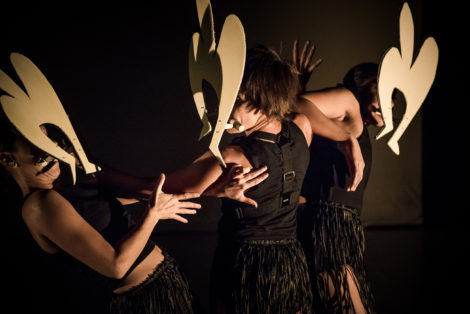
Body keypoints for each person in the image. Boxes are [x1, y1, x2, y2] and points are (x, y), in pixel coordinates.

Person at [162, 44, 365, 314]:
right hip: (290, 265)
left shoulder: (234, 155)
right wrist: (349, 139)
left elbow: (161, 189)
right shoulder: (302, 128)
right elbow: (302, 111)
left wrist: (101, 178)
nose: (226, 107)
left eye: (233, 99)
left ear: (251, 97)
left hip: (245, 267)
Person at [293, 40, 391, 314]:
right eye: (382, 89)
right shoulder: (348, 100)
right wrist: (346, 136)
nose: (390, 100)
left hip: (339, 228)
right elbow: (297, 104)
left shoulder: (353, 118)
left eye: (392, 95)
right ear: (364, 82)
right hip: (329, 226)